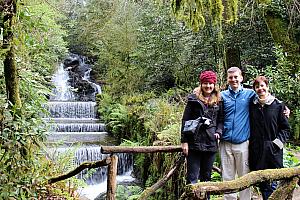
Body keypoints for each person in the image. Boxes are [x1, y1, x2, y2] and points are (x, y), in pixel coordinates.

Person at [181, 70, 224, 191]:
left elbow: (221, 120)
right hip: (194, 142)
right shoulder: (193, 100)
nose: (208, 86)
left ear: (214, 84)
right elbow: (185, 120)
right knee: (192, 178)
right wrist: (184, 141)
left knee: (206, 178)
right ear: (201, 84)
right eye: (205, 83)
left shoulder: (219, 101)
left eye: (211, 83)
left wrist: (219, 132)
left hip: (210, 143)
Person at [249, 76, 290, 200]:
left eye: (262, 85)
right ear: (254, 89)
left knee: (273, 184)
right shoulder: (252, 105)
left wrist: (276, 144)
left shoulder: (278, 105)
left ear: (267, 86)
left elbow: (286, 129)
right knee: (262, 183)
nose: (260, 89)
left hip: (273, 151)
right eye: (257, 86)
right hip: (257, 150)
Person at [219, 67, 255, 200]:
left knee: (244, 176)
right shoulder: (222, 96)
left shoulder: (250, 94)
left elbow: (266, 97)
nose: (233, 79)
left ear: (241, 78)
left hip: (242, 142)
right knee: (227, 177)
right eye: (230, 77)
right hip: (225, 142)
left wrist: (283, 106)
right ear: (227, 79)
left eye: (236, 77)